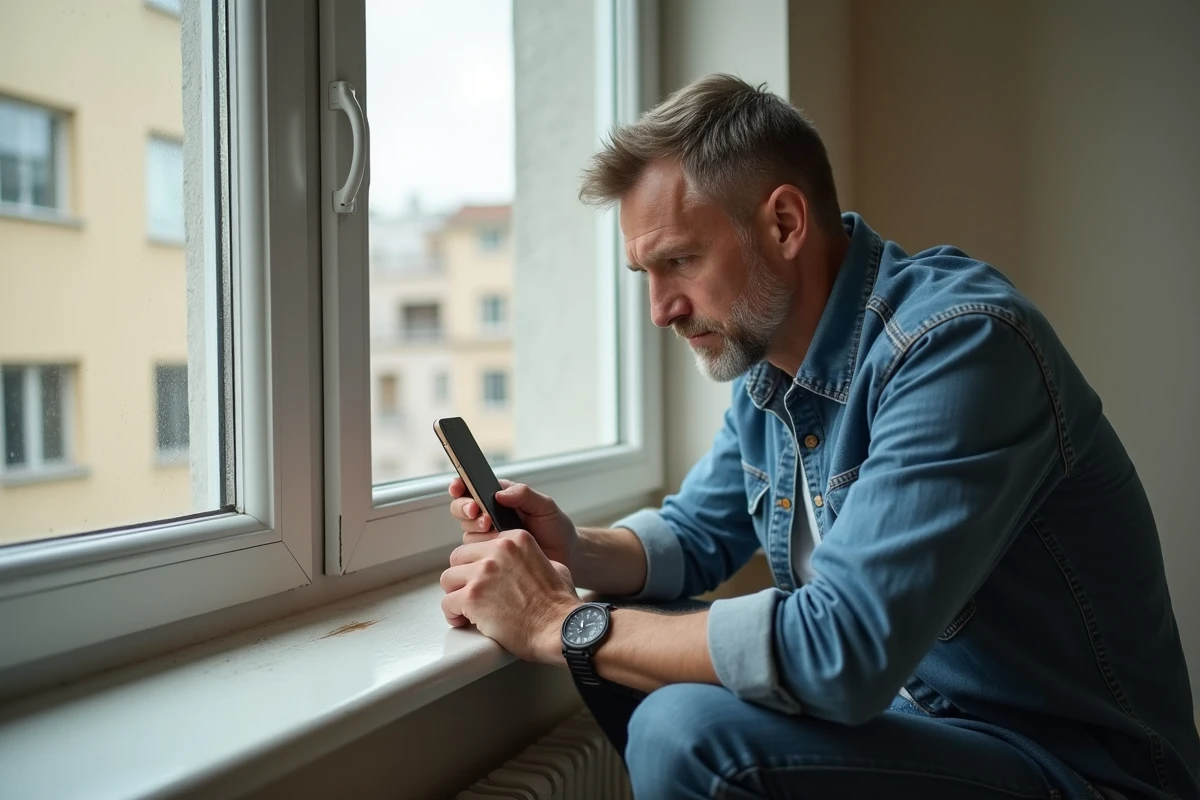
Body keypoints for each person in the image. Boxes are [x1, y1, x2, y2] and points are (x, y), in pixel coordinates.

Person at [438, 74, 1199, 799]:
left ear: (784, 223)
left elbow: (843, 648)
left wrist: (555, 620)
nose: (661, 309)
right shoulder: (770, 366)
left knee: (683, 726)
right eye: (646, 272)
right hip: (916, 731)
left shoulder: (962, 348)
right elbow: (699, 532)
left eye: (680, 261)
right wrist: (570, 549)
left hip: (1074, 771)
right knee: (646, 655)